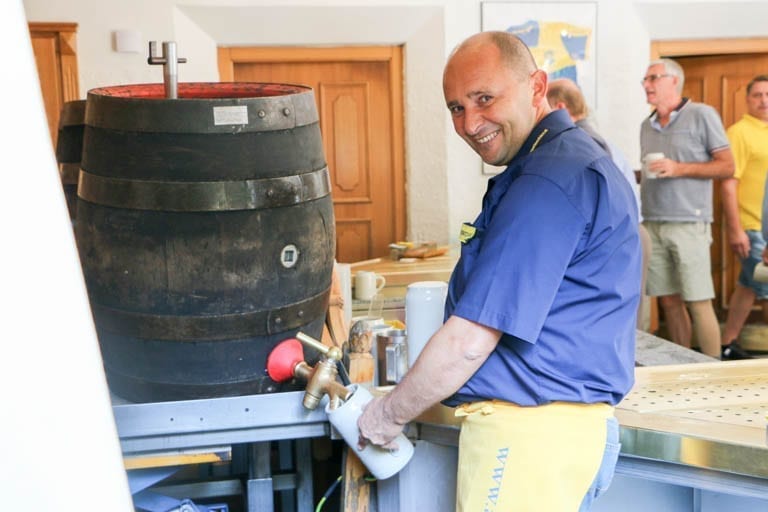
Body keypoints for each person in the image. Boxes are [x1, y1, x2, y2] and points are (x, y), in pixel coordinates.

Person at [358, 31, 640, 511]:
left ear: (536, 86)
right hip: (560, 430)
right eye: (456, 108)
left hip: (529, 433)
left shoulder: (548, 180)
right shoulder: (564, 160)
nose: (470, 122)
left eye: (484, 98)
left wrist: (386, 414)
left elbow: (471, 340)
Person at [639, 58, 734, 358]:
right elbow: (654, 172)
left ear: (674, 81)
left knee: (698, 299)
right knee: (667, 302)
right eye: (645, 80)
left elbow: (726, 166)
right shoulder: (646, 125)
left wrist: (677, 168)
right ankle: (681, 367)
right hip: (653, 221)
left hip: (689, 223)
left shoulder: (701, 114)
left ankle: (714, 370)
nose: (646, 84)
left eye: (653, 78)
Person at [547, 78, 652, 331]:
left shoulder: (582, 143)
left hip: (615, 235)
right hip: (628, 232)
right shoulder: (594, 139)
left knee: (621, 320)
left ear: (560, 107)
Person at [721, 75, 768, 359]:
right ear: (747, 99)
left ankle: (727, 344)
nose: (764, 100)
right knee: (764, 287)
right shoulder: (739, 132)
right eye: (757, 95)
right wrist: (735, 229)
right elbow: (729, 182)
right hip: (754, 227)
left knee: (748, 286)